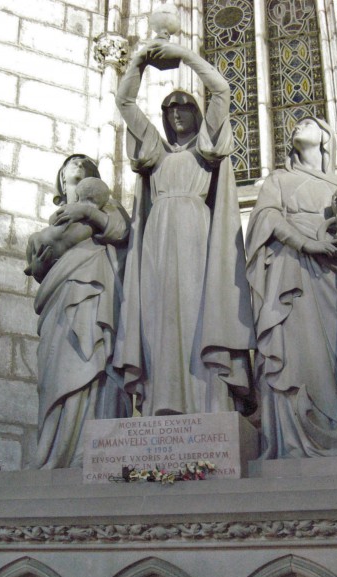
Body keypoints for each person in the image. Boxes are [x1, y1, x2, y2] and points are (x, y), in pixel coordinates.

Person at [114, 40, 255, 417]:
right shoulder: (155, 151)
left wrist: (186, 57)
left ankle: (206, 401)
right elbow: (125, 103)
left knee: (198, 310)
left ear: (196, 112)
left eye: (184, 107)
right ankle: (163, 399)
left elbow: (222, 91)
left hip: (197, 235)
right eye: (169, 109)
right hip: (157, 239)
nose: (176, 114)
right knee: (158, 317)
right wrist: (138, 63)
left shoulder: (205, 147)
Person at [245, 116, 337, 458]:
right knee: (289, 353)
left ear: (324, 137)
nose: (296, 126)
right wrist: (307, 243)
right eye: (294, 125)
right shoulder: (278, 180)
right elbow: (266, 218)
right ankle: (291, 446)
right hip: (289, 273)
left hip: (328, 279)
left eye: (306, 122)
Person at [26, 154, 131, 469]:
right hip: (58, 301)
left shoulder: (107, 207)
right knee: (56, 372)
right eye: (70, 165)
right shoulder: (50, 226)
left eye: (83, 163)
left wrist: (88, 212)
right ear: (60, 181)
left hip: (95, 295)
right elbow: (38, 271)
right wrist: (39, 265)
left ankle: (93, 451)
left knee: (94, 363)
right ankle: (56, 452)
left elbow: (121, 231)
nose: (76, 164)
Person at [26, 177, 112, 283]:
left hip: (43, 239)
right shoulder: (94, 222)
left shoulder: (70, 207)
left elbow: (52, 220)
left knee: (32, 238)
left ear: (77, 195)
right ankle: (33, 267)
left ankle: (31, 266)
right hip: (59, 253)